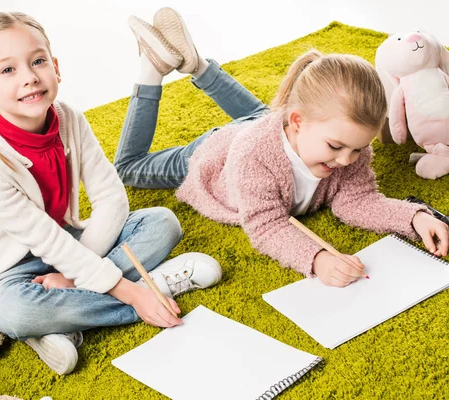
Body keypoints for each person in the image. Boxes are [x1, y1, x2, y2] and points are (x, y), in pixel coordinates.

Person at [0, 11, 222, 375]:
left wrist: (72, 278)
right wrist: (130, 292)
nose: (29, 77)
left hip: (69, 246)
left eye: (38, 61)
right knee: (14, 311)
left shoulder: (70, 118)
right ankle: (156, 290)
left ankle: (62, 322)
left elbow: (112, 198)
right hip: (9, 274)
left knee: (161, 223)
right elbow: (40, 238)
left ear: (55, 67)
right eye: (8, 70)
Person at [116, 7, 449, 288]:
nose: (347, 160)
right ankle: (153, 66)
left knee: (263, 116)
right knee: (128, 168)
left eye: (358, 149)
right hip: (216, 155)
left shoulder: (339, 142)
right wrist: (316, 259)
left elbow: (359, 200)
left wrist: (415, 218)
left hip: (270, 129)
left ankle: (197, 65)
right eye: (336, 146)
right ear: (299, 122)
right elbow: (266, 225)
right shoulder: (253, 157)